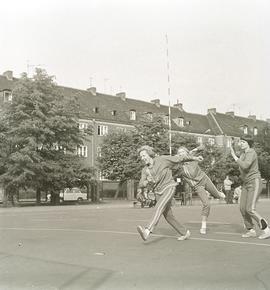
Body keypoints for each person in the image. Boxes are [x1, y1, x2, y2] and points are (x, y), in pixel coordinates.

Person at [136, 145, 203, 241]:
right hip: (158, 192)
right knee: (168, 216)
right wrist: (146, 182)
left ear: (149, 154)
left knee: (158, 207)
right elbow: (141, 183)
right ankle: (185, 232)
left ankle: (147, 231)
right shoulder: (145, 170)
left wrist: (194, 158)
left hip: (169, 187)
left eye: (144, 155)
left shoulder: (162, 159)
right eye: (141, 157)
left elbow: (180, 158)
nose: (142, 158)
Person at [176, 146, 225, 235]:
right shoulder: (178, 164)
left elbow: (202, 147)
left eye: (182, 152)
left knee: (219, 196)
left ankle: (218, 193)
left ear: (187, 152)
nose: (181, 154)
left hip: (204, 179)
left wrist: (195, 149)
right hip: (198, 186)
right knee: (207, 204)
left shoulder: (191, 155)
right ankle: (203, 225)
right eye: (179, 153)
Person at [230, 135, 270, 239]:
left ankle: (266, 229)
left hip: (254, 182)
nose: (241, 144)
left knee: (250, 209)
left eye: (243, 142)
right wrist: (232, 144)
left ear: (249, 143)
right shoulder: (243, 154)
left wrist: (235, 157)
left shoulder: (251, 152)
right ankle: (251, 230)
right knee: (243, 208)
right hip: (246, 184)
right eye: (241, 142)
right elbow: (236, 155)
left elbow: (245, 166)